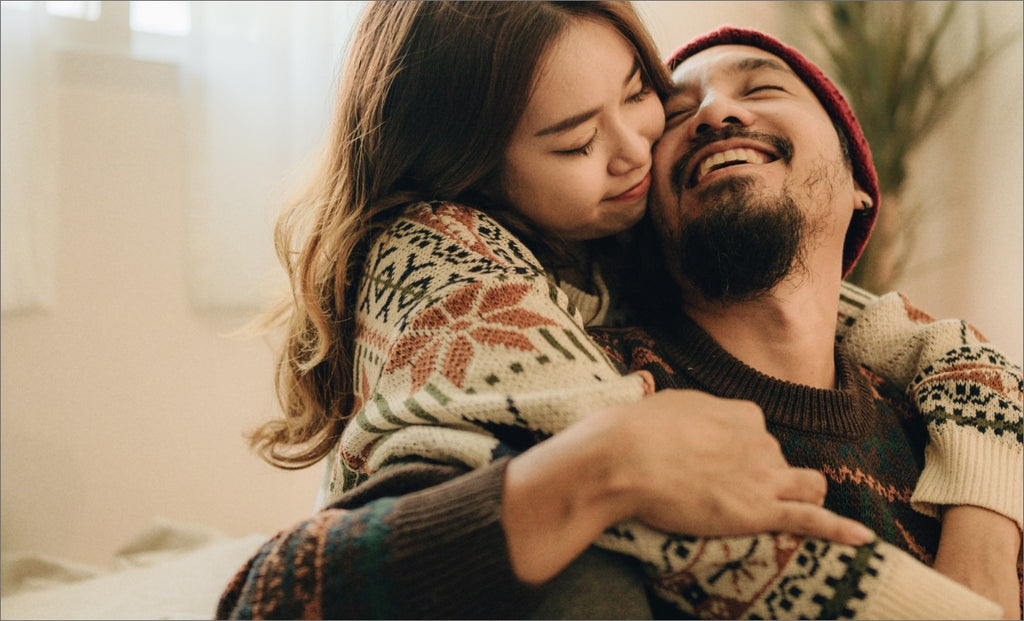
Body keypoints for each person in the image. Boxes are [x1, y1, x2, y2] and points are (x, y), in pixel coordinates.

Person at [217, 3, 1022, 618]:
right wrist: (600, 467)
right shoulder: (556, 380)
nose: (699, 118)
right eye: (678, 112)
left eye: (642, 96)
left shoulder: (963, 423)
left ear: (859, 185)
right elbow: (272, 595)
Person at [588, 25, 1023, 619]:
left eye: (762, 88)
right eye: (675, 114)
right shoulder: (602, 388)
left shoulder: (951, 427)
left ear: (859, 188)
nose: (714, 113)